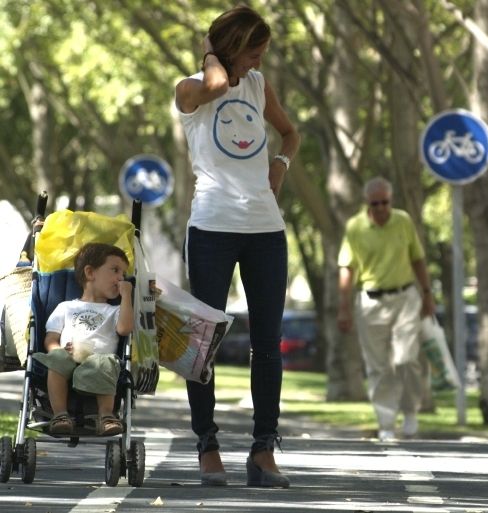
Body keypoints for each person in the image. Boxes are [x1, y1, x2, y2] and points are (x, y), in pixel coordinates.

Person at [174, 4, 300, 488]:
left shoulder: (259, 86)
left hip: (266, 229)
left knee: (268, 346)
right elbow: (214, 87)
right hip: (211, 227)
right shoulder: (190, 89)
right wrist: (211, 54)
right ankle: (208, 446)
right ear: (228, 48)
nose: (257, 63)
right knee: (202, 343)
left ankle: (264, 451)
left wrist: (280, 166)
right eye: (253, 52)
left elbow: (290, 133)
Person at [337, 177, 436, 441]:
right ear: (366, 203)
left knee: (406, 359)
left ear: (391, 200)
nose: (381, 207)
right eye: (375, 203)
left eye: (385, 202)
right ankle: (386, 423)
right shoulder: (355, 227)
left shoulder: (403, 220)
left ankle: (410, 412)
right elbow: (347, 268)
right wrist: (343, 307)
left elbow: (418, 259)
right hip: (370, 302)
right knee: (378, 366)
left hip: (405, 297)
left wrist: (427, 294)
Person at [33, 243, 133, 437]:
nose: (121, 277)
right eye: (115, 270)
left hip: (99, 360)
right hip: (69, 356)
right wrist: (57, 350)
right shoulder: (65, 307)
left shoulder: (115, 311)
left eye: (124, 273)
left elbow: (125, 328)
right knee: (56, 359)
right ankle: (60, 415)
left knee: (104, 362)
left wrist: (127, 295)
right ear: (90, 273)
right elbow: (51, 338)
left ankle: (106, 415)